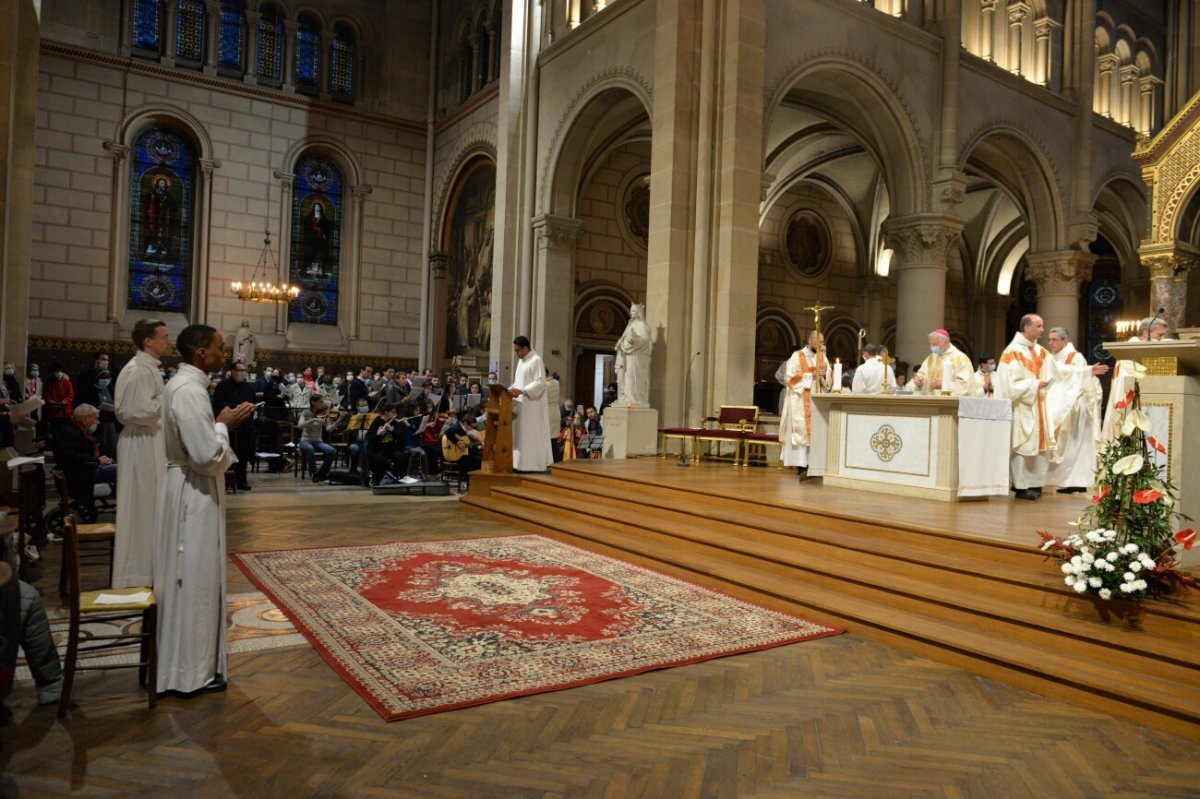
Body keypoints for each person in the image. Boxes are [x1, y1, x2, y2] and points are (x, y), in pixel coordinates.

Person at [155, 324, 254, 696]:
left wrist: (217, 425)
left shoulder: (185, 387)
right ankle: (188, 673)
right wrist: (223, 426)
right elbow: (207, 456)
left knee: (194, 576)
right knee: (192, 576)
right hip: (192, 493)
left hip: (188, 487)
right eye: (219, 347)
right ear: (200, 352)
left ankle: (192, 666)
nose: (225, 353)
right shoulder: (189, 391)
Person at [993, 314, 1106, 501]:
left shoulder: (1041, 351)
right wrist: (1033, 385)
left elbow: (1061, 371)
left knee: (1041, 446)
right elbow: (1008, 383)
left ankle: (1035, 483)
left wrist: (1086, 371)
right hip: (1023, 406)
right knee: (1023, 445)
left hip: (1039, 406)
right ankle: (1021, 486)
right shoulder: (1011, 352)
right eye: (1039, 326)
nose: (1042, 330)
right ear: (1026, 328)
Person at [113, 319, 171, 587]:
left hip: (150, 440)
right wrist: (170, 397)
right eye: (163, 336)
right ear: (148, 340)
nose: (167, 341)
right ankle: (136, 573)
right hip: (141, 442)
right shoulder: (138, 371)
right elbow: (135, 411)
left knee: (151, 506)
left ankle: (149, 568)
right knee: (141, 507)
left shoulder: (148, 369)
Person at [1045, 327, 1108, 493]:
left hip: (1073, 405)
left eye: (1054, 340)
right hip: (1057, 402)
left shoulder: (1075, 357)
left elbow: (1077, 380)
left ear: (1065, 341)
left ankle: (1075, 480)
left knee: (1074, 444)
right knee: (1068, 445)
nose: (1050, 343)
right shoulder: (1052, 357)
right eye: (1049, 339)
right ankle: (1067, 480)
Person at [778, 330, 832, 477]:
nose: (822, 345)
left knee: (816, 432)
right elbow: (790, 377)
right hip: (801, 400)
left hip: (817, 401)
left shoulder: (822, 357)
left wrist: (825, 374)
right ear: (810, 341)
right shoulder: (797, 356)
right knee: (801, 432)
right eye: (819, 342)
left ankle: (815, 464)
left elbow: (829, 378)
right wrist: (811, 375)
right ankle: (802, 465)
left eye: (823, 342)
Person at [53, 404, 117, 521]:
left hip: (87, 468)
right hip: (81, 474)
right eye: (95, 418)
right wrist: (98, 461)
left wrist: (100, 459)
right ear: (84, 419)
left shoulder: (81, 430)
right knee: (118, 469)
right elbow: (73, 457)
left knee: (113, 464)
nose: (97, 422)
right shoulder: (70, 433)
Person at [211, 361, 258, 491]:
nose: (242, 373)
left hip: (246, 425)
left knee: (243, 454)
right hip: (230, 425)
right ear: (232, 371)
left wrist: (251, 407)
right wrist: (235, 407)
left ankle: (241, 480)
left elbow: (253, 401)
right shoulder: (223, 386)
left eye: (244, 370)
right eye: (239, 370)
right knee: (228, 452)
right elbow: (218, 403)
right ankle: (225, 480)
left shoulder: (248, 387)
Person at [509, 336, 552, 471]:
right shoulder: (522, 361)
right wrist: (509, 390)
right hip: (521, 404)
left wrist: (522, 391)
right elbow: (519, 381)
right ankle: (519, 464)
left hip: (532, 406)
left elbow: (540, 383)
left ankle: (533, 465)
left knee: (530, 435)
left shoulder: (536, 360)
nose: (516, 354)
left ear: (525, 348)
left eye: (517, 350)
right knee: (520, 435)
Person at [911, 329, 973, 395]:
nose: (931, 347)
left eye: (934, 344)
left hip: (950, 403)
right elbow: (922, 374)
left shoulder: (960, 359)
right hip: (931, 400)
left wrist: (943, 384)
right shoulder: (931, 357)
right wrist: (920, 380)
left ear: (946, 342)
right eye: (930, 344)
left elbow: (964, 386)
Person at [615, 303, 651, 407]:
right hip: (627, 356)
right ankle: (627, 397)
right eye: (631, 311)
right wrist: (622, 343)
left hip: (636, 357)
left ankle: (634, 398)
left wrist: (634, 339)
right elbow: (624, 338)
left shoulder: (642, 326)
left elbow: (644, 341)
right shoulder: (630, 325)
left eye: (634, 311)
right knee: (626, 377)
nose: (632, 313)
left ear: (639, 313)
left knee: (633, 377)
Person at [297, 395, 341, 483]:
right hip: (305, 441)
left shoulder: (324, 413)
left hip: (318, 441)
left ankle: (322, 473)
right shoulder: (305, 412)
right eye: (320, 402)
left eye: (323, 401)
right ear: (313, 403)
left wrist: (339, 420)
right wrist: (313, 419)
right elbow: (300, 425)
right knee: (310, 449)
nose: (323, 403)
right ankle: (314, 473)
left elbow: (329, 429)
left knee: (332, 451)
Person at [42, 362, 74, 435]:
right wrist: (49, 400)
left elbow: (70, 395)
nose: (58, 373)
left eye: (60, 371)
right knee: (54, 431)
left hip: (65, 412)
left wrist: (64, 401)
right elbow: (45, 393)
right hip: (52, 412)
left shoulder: (67, 383)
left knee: (64, 432)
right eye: (56, 371)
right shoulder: (48, 382)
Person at [545, 368, 562, 462]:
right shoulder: (556, 382)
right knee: (554, 439)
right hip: (555, 411)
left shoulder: (545, 385)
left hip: (548, 412)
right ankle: (556, 461)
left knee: (550, 440)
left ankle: (553, 461)